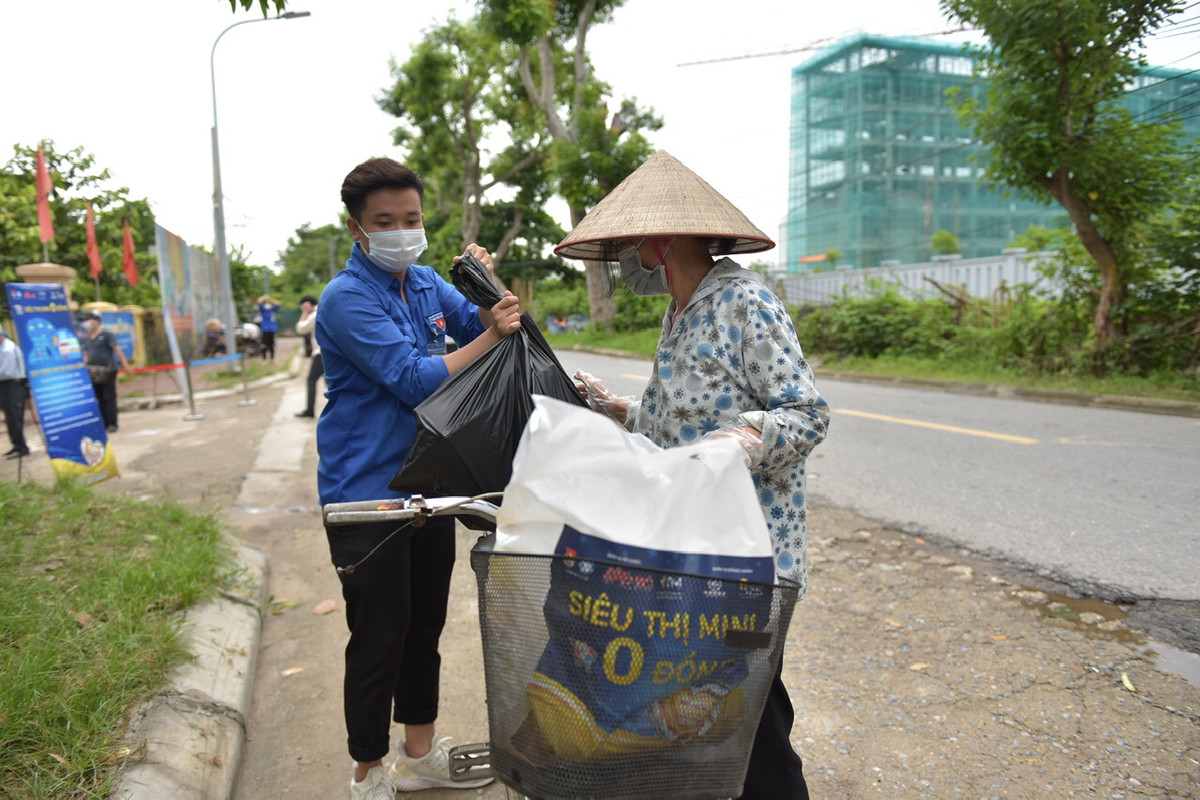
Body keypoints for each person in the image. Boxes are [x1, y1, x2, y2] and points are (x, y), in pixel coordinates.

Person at [553, 150, 830, 800]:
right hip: (696, 558)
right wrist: (616, 407)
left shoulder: (744, 302)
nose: (626, 258)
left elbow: (807, 413)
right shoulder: (679, 311)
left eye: (629, 245)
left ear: (656, 243)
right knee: (731, 712)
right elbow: (682, 428)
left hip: (752, 560)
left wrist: (745, 440)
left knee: (754, 728)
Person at [315, 157, 522, 799]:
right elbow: (413, 379)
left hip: (430, 488)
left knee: (423, 628)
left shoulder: (428, 282)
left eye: (411, 219)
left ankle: (419, 755)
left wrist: (484, 283)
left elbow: (489, 321)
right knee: (379, 635)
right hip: (367, 497)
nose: (402, 231)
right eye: (385, 222)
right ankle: (368, 775)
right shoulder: (346, 297)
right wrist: (490, 335)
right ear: (358, 229)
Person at [80, 311, 132, 434]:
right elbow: (86, 355)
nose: (86, 323)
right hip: (93, 372)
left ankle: (112, 423)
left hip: (108, 371)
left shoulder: (107, 334)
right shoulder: (88, 338)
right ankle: (103, 423)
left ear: (96, 320)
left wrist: (126, 366)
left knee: (109, 397)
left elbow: (117, 350)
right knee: (99, 398)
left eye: (89, 319)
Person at [0, 328, 30, 459]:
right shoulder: (3, 348)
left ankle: (22, 447)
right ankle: (16, 445)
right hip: (6, 384)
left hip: (12, 385)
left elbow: (7, 372)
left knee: (14, 416)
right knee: (10, 417)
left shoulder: (8, 349)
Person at [294, 294, 322, 418]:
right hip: (327, 352)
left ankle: (310, 410)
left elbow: (300, 329)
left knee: (311, 381)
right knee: (332, 382)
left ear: (308, 304)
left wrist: (304, 313)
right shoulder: (322, 311)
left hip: (320, 353)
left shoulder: (313, 315)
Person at [256, 294, 281, 360]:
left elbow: (279, 303)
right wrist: (264, 297)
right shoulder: (263, 309)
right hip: (265, 329)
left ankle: (272, 358)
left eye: (268, 302)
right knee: (264, 344)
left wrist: (270, 299)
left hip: (272, 329)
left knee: (272, 344)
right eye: (266, 302)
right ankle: (264, 357)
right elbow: (258, 301)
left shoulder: (272, 309)